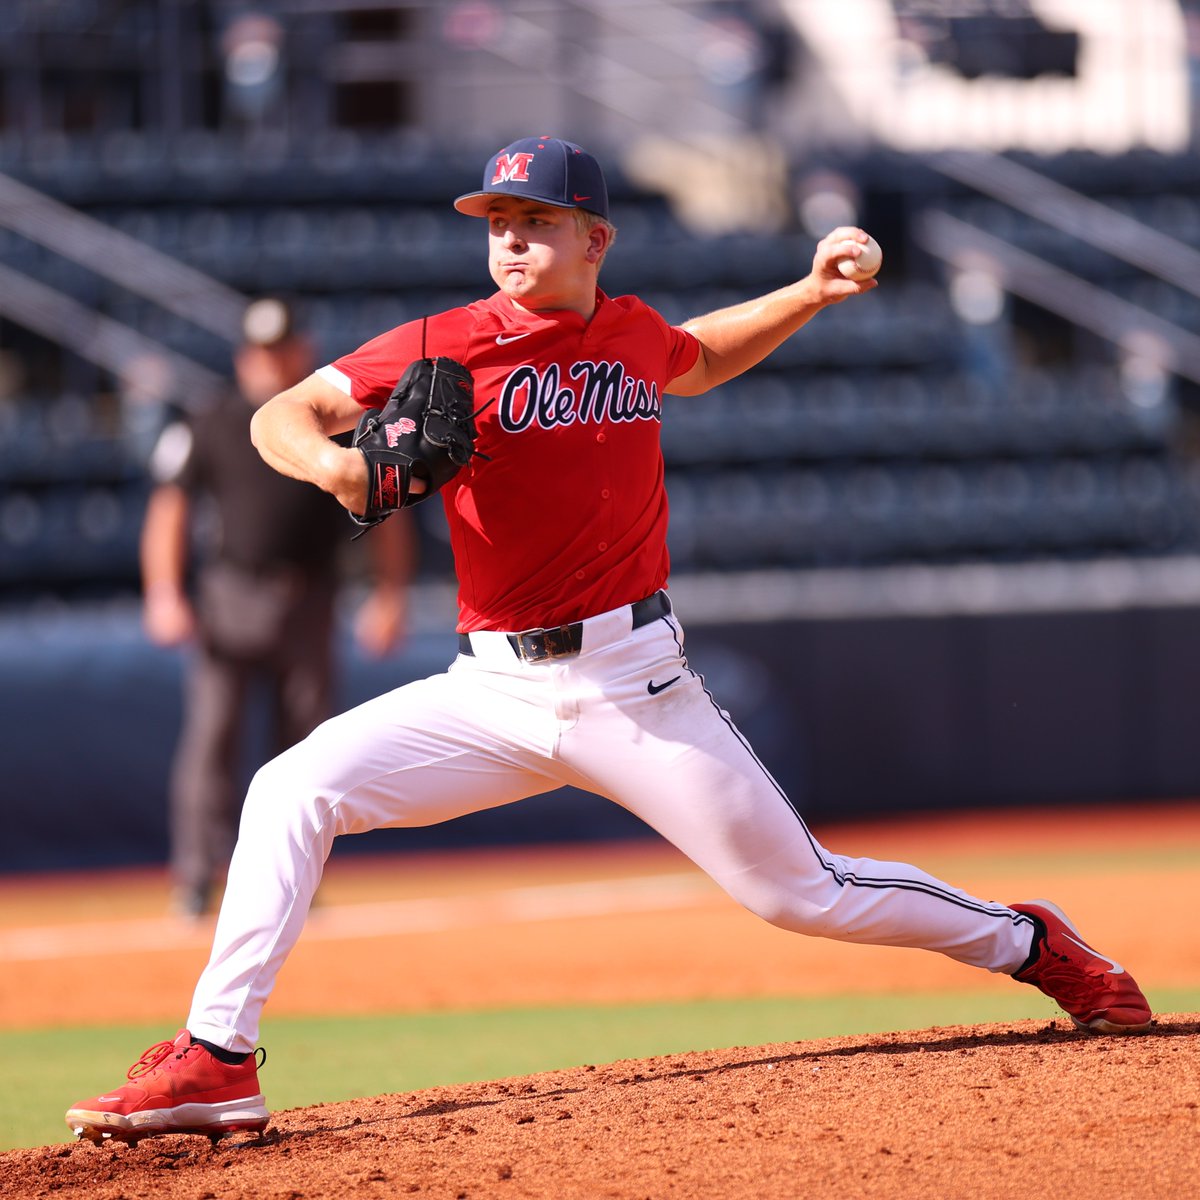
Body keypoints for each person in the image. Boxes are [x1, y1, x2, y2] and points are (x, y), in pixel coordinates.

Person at [67, 137, 1152, 1144]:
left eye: (534, 220)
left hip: (635, 682)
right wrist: (341, 467)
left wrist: (811, 293)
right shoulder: (446, 343)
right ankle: (219, 1057)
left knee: (801, 895)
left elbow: (699, 356)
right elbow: (279, 416)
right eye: (496, 221)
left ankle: (1029, 941)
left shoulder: (630, 331)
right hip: (488, 689)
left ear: (595, 238)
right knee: (290, 789)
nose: (509, 240)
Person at [140, 297, 414, 919]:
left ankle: (295, 881)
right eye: (262, 352)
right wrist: (164, 590)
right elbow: (170, 509)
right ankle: (195, 876)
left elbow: (385, 508)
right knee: (212, 740)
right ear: (244, 358)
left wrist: (389, 593)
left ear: (304, 354)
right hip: (229, 596)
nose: (271, 363)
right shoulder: (210, 420)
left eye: (283, 351)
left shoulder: (337, 424)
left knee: (308, 748)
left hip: (310, 598)